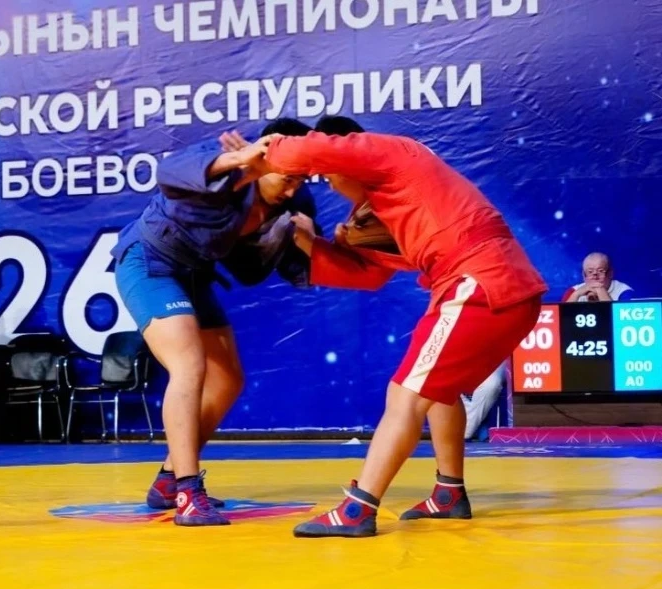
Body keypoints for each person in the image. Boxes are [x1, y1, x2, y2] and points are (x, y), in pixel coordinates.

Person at [258, 116, 547, 538]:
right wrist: (308, 242)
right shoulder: (383, 205)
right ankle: (449, 493)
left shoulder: (395, 153)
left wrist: (265, 150)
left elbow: (308, 151)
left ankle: (359, 509)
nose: (333, 187)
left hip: (480, 281)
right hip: (495, 285)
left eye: (331, 176)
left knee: (405, 394)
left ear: (347, 156)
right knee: (438, 392)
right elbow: (367, 273)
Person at [111, 119, 316, 526]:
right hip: (149, 263)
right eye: (288, 179)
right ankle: (189, 491)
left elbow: (294, 272)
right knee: (188, 365)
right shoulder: (229, 161)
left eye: (302, 180)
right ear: (266, 154)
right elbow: (168, 174)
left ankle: (169, 480)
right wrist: (235, 162)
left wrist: (310, 240)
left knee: (228, 379)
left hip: (193, 274)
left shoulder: (295, 203)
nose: (294, 189)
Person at [562, 252, 633, 302]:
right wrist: (576, 294)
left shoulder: (624, 291)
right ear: (584, 275)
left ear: (610, 274)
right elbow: (562, 317)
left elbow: (620, 319)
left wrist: (601, 292)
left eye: (600, 271)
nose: (595, 277)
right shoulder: (573, 291)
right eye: (590, 272)